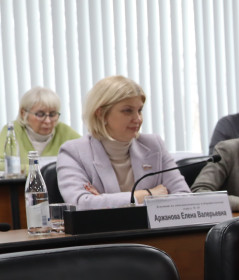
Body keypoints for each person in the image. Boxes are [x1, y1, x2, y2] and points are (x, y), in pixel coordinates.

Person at [57, 75, 190, 210]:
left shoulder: (154, 145)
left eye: (139, 110)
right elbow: (82, 204)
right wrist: (147, 194)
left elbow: (185, 198)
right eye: (127, 111)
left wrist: (103, 201)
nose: (138, 119)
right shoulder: (74, 152)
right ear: (101, 114)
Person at [0, 86, 80, 171]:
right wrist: (37, 169)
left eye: (52, 114)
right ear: (23, 113)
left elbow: (86, 159)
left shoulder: (65, 131)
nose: (48, 121)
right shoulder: (12, 130)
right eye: (40, 114)